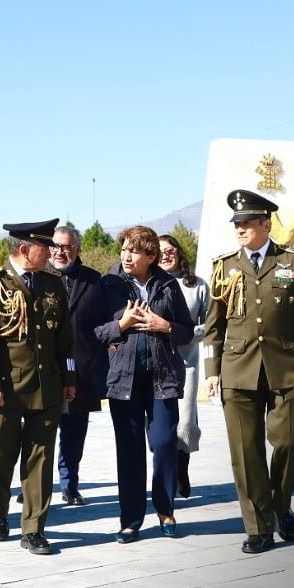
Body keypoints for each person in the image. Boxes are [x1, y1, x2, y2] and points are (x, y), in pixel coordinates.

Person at [203, 189, 294, 554]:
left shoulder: (293, 261)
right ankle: (258, 527)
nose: (239, 229)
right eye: (236, 224)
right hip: (237, 370)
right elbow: (213, 326)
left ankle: (281, 504)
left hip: (286, 368)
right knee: (246, 453)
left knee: (288, 441)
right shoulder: (224, 266)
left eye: (246, 223)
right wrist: (213, 370)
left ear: (265, 224)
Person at [0, 219, 76, 555]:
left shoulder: (53, 285)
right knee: (0, 457)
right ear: (25, 249)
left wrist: (69, 378)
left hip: (46, 387)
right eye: (46, 247)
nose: (53, 253)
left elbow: (65, 340)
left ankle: (33, 528)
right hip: (6, 389)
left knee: (40, 461)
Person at [94, 225, 194, 543]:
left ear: (150, 256)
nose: (126, 255)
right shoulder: (108, 284)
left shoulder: (167, 285)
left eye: (134, 251)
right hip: (123, 381)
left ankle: (166, 509)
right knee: (130, 450)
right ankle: (130, 520)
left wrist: (165, 326)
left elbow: (186, 331)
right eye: (124, 249)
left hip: (162, 379)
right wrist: (121, 325)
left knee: (164, 442)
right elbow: (93, 331)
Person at [48, 225, 104, 506]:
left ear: (77, 249)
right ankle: (34, 484)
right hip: (45, 370)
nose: (61, 252)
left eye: (67, 246)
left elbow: (107, 322)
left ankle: (70, 485)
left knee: (74, 434)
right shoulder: (37, 278)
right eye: (56, 246)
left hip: (82, 370)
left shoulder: (95, 281)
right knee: (39, 433)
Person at [158, 233, 209, 499]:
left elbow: (209, 324)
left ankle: (181, 469)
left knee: (185, 422)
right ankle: (166, 471)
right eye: (160, 250)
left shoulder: (197, 285)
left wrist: (184, 334)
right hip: (155, 365)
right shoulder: (151, 283)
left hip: (186, 363)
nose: (165, 254)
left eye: (170, 249)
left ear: (179, 253)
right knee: (159, 426)